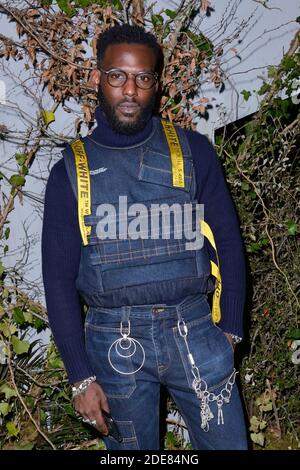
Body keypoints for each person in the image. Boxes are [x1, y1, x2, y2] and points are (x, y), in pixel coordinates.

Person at [42, 23, 248, 450]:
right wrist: (81, 376)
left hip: (196, 330)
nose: (130, 90)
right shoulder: (70, 171)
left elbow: (228, 242)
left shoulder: (193, 151)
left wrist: (229, 331)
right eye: (118, 76)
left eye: (142, 78)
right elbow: (58, 280)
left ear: (157, 84)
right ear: (99, 79)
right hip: (113, 342)